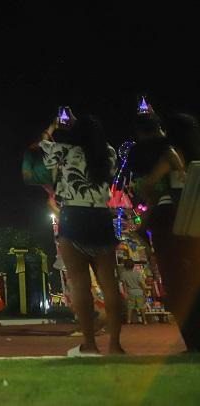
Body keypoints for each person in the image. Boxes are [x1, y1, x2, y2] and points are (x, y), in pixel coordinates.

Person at [39, 114, 124, 356]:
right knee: (110, 285)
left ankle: (89, 344)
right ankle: (115, 345)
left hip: (74, 217)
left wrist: (56, 125)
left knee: (80, 285)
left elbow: (43, 145)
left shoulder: (65, 151)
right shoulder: (107, 153)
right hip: (100, 218)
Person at [131, 110, 200, 351]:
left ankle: (193, 340)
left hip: (170, 219)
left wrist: (146, 213)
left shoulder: (171, 152)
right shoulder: (194, 154)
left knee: (176, 282)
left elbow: (151, 186)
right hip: (194, 220)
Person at [118, 259, 147, 325]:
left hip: (130, 292)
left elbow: (124, 284)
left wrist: (125, 293)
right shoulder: (137, 273)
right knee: (141, 307)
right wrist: (144, 292)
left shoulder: (123, 274)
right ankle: (144, 320)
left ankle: (128, 320)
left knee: (130, 307)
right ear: (133, 266)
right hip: (139, 292)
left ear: (125, 266)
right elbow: (141, 283)